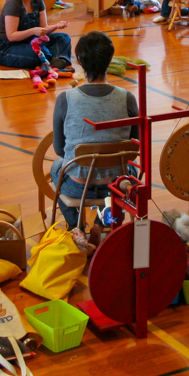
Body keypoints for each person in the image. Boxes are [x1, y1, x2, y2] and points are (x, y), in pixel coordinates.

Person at [51, 31, 139, 229]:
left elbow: (59, 149)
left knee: (57, 166)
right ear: (109, 60)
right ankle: (102, 223)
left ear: (80, 61)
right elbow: (134, 148)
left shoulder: (66, 99)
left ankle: (76, 227)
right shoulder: (128, 98)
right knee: (130, 171)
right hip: (116, 185)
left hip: (78, 186)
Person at [0, 0, 71, 70]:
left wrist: (56, 26)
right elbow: (11, 36)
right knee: (39, 51)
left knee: (63, 38)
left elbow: (43, 29)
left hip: (31, 41)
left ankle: (54, 62)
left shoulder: (38, 1)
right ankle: (51, 60)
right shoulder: (13, 4)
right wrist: (33, 31)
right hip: (8, 47)